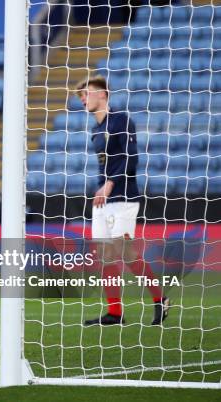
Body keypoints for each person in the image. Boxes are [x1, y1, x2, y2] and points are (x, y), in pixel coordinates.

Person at [75, 75, 170, 326]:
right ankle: (115, 312)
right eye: (81, 96)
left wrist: (109, 184)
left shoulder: (121, 120)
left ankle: (161, 299)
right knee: (104, 255)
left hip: (124, 195)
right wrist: (101, 187)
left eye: (87, 93)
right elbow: (106, 164)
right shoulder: (95, 129)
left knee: (125, 252)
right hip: (103, 198)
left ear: (103, 94)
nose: (83, 99)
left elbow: (132, 159)